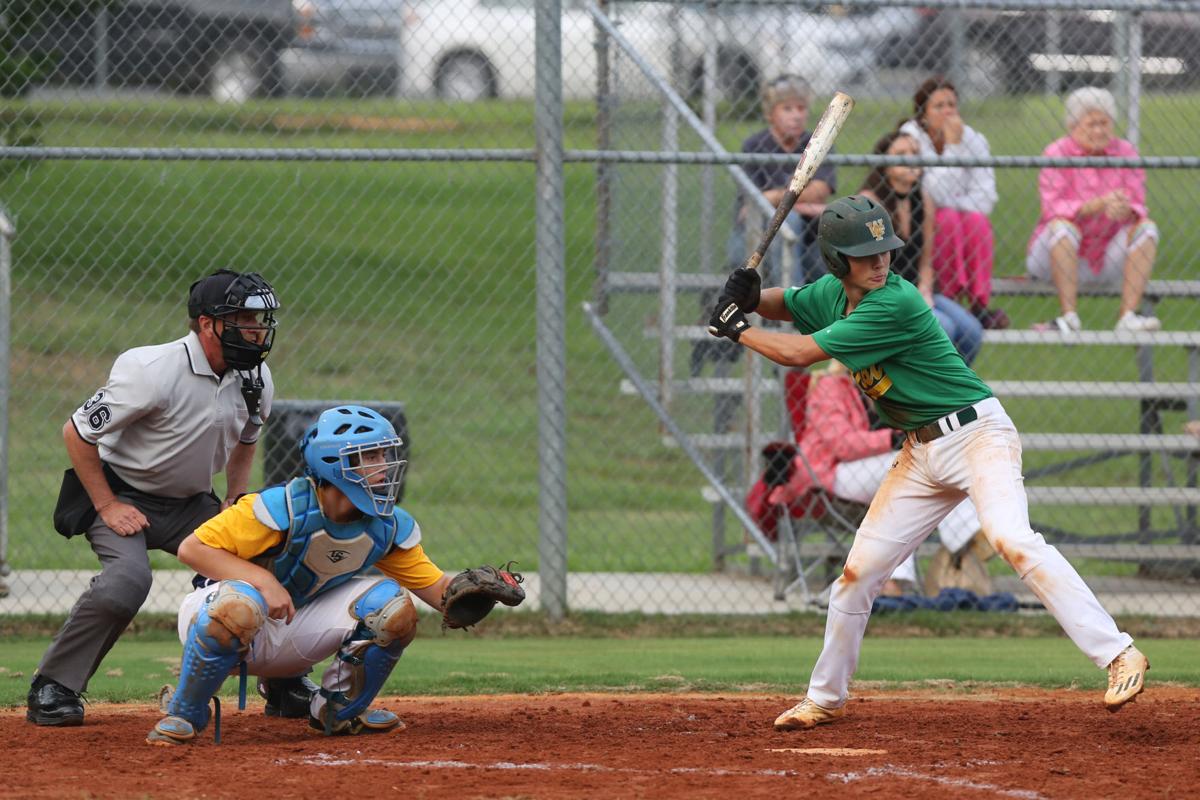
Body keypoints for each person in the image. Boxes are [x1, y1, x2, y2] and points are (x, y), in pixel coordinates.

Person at [707, 195, 1149, 729]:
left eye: (885, 250)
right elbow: (791, 302)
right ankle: (825, 697)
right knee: (857, 575)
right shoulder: (832, 293)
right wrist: (754, 298)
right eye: (865, 255)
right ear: (837, 261)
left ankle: (1119, 652)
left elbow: (798, 354)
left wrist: (738, 328)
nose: (880, 261)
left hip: (977, 435)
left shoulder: (893, 302)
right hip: (919, 452)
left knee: (1013, 539)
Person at [146, 405, 511, 744]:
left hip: (294, 632)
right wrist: (264, 581)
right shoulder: (280, 507)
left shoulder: (384, 526)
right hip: (216, 620)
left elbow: (440, 591)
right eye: (371, 456)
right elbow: (192, 549)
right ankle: (186, 711)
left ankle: (337, 711)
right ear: (335, 462)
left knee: (392, 608)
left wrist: (475, 592)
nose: (384, 466)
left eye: (384, 455)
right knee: (240, 605)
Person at [27, 269, 280, 728]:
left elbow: (247, 438)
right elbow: (77, 432)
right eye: (243, 319)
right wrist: (106, 505)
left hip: (192, 504)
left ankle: (283, 681)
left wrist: (235, 498)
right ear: (207, 324)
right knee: (127, 581)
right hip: (124, 493)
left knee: (265, 560)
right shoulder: (152, 371)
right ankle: (54, 685)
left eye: (259, 319)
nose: (256, 329)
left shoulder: (256, 377)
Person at [755, 360, 982, 596]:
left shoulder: (865, 386)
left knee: (903, 495)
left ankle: (894, 582)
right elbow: (842, 445)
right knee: (913, 465)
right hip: (831, 474)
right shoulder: (829, 385)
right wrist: (891, 439)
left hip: (866, 471)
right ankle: (968, 532)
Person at [1027, 86, 1161, 333]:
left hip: (1107, 254)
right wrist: (1096, 205)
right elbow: (1052, 207)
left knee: (1147, 228)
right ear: (1073, 126)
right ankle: (1069, 317)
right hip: (1054, 256)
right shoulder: (1057, 152)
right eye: (1091, 124)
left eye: (1104, 123)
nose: (1099, 130)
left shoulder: (1126, 152)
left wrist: (1125, 210)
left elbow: (1138, 201)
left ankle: (1128, 317)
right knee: (1062, 227)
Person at [859, 129, 983, 365]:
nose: (911, 160)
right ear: (884, 165)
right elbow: (869, 265)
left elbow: (926, 261)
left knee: (972, 331)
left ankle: (950, 384)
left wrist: (924, 290)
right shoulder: (870, 202)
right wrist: (910, 299)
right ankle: (921, 384)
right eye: (901, 154)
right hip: (885, 295)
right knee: (944, 327)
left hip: (917, 290)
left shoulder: (923, 200)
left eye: (915, 153)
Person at [898, 75, 1007, 329]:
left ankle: (979, 304)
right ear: (923, 114)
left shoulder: (973, 139)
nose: (948, 111)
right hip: (921, 216)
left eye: (952, 105)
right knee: (948, 219)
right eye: (939, 106)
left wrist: (954, 204)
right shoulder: (912, 138)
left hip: (963, 217)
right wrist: (954, 149)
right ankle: (950, 296)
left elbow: (986, 197)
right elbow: (929, 192)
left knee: (977, 221)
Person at [728, 74, 836, 287]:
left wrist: (774, 197)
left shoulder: (816, 143)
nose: (796, 115)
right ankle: (792, 300)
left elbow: (820, 190)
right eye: (787, 109)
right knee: (790, 220)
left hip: (810, 236)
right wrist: (804, 203)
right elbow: (755, 202)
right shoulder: (755, 145)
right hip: (755, 236)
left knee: (826, 250)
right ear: (770, 114)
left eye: (801, 108)